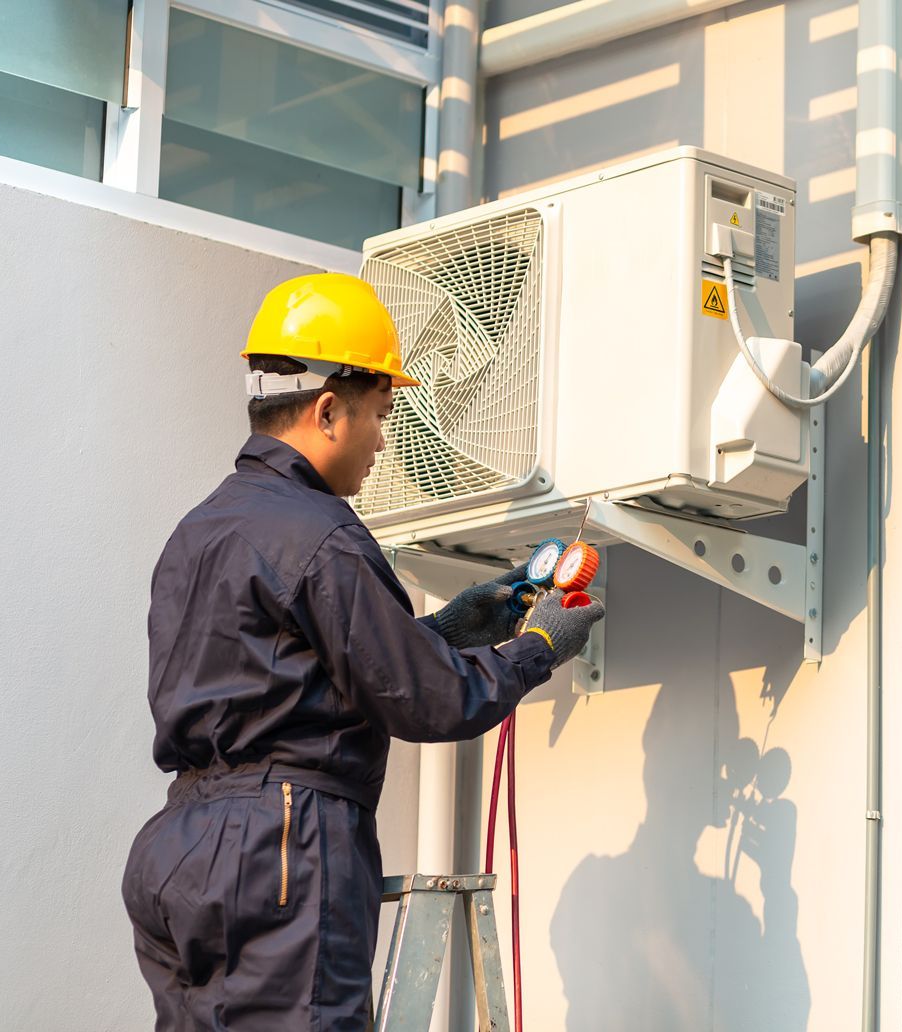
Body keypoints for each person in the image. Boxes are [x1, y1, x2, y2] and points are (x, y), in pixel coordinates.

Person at [122, 272, 604, 1031]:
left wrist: (441, 632)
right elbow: (432, 700)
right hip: (282, 842)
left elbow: (285, 672)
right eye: (381, 414)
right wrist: (537, 647)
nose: (384, 439)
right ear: (326, 410)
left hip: (180, 849)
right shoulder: (323, 534)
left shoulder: (199, 531)